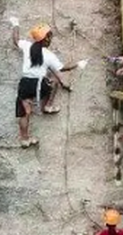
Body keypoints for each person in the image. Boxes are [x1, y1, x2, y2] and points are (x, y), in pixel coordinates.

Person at [9, 18, 85, 147]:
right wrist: (77, 64)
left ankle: (24, 139)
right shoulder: (49, 55)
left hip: (25, 84)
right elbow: (62, 68)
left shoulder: (27, 46)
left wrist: (15, 24)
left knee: (25, 113)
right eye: (49, 37)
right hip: (39, 85)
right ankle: (47, 106)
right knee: (53, 81)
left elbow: (16, 40)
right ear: (45, 39)